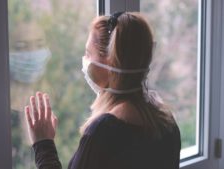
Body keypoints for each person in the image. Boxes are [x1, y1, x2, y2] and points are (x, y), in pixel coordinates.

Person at [24, 12, 181, 169]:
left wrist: (43, 144)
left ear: (111, 63)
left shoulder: (104, 132)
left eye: (88, 54)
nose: (85, 61)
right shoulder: (166, 122)